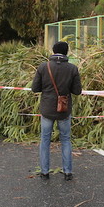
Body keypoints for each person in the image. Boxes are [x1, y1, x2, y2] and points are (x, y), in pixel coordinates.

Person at [31, 41, 82, 180]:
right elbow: (77, 91)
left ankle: (44, 172)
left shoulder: (43, 67)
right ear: (67, 52)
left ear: (53, 51)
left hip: (47, 109)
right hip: (64, 110)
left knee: (45, 140)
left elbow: (35, 88)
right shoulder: (72, 68)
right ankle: (67, 172)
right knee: (65, 139)